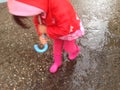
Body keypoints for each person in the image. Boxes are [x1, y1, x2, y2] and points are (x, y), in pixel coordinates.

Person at [7, 0, 85, 73]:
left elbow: (65, 29)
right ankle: (57, 62)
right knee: (56, 48)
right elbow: (38, 22)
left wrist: (46, 30)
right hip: (56, 30)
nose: (34, 15)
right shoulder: (40, 9)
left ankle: (76, 50)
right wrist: (41, 35)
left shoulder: (60, 5)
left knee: (68, 47)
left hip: (70, 30)